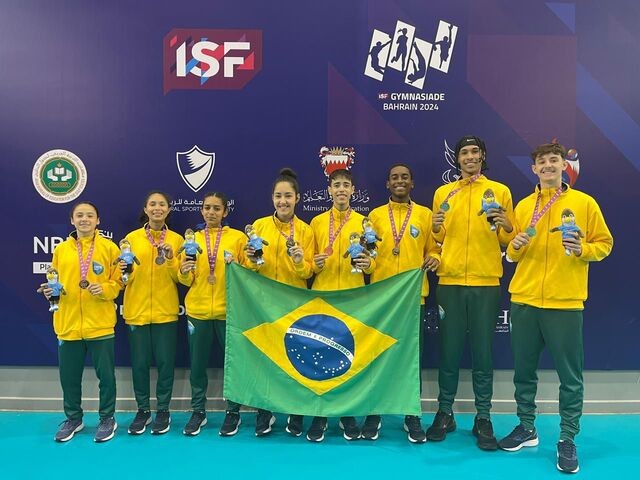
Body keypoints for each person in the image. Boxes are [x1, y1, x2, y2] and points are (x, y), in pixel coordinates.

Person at [498, 143, 613, 474]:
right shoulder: (523, 206)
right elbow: (512, 254)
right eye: (542, 161)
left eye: (553, 160)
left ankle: (567, 438)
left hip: (565, 301)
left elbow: (604, 244)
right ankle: (526, 427)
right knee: (523, 371)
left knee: (570, 376)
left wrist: (582, 249)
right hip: (524, 299)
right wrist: (514, 247)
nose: (548, 165)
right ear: (534, 169)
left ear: (564, 166)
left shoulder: (584, 203)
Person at [427, 135, 515, 450]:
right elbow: (437, 238)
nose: (469, 157)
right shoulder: (443, 193)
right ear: (457, 159)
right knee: (449, 351)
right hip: (449, 281)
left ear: (483, 156)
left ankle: (483, 416)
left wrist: (507, 225)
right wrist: (435, 227)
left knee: (483, 352)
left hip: (485, 282)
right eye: (464, 152)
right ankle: (444, 412)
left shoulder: (500, 191)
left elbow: (509, 241)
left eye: (475, 151)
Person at [362, 163, 440, 443]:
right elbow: (369, 254)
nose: (399, 181)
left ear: (412, 183)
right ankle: (374, 412)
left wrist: (435, 257)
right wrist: (367, 264)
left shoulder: (424, 215)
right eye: (394, 177)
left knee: (411, 359)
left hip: (412, 297)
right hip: (382, 298)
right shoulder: (374, 216)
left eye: (404, 177)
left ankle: (411, 414)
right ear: (387, 184)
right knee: (377, 356)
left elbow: (433, 247)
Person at [40, 202, 122, 443]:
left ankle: (107, 418)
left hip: (100, 324)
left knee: (106, 377)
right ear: (72, 220)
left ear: (98, 220)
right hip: (68, 324)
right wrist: (51, 291)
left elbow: (119, 282)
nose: (84, 219)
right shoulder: (61, 250)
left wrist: (104, 289)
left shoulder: (109, 248)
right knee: (69, 377)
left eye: (89, 215)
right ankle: (74, 418)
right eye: (79, 215)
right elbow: (55, 280)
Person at [246, 168, 315, 437]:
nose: (283, 201)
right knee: (266, 360)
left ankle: (296, 412)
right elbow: (248, 268)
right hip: (263, 304)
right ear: (272, 198)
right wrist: (252, 260)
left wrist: (298, 262)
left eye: (288, 196)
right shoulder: (259, 226)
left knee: (295, 360)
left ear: (297, 198)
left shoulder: (306, 231)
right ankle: (265, 411)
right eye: (278, 196)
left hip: (293, 305)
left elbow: (308, 272)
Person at [306, 168, 374, 442]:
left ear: (353, 190)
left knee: (348, 358)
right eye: (337, 185)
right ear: (329, 191)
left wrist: (369, 264)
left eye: (346, 185)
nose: (341, 189)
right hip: (322, 298)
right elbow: (308, 265)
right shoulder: (316, 222)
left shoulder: (364, 223)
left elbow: (373, 260)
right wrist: (315, 264)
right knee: (321, 358)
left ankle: (347, 414)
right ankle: (320, 414)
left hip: (352, 298)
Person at [178, 192, 249, 437]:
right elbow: (184, 279)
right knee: (197, 365)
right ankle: (198, 411)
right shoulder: (192, 239)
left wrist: (241, 264)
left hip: (228, 312)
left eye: (217, 208)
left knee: (232, 364)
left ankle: (233, 412)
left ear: (225, 212)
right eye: (207, 207)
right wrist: (183, 271)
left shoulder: (238, 238)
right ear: (201, 210)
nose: (211, 212)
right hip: (197, 311)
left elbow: (249, 273)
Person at [121, 192, 183, 435]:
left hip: (165, 312)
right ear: (145, 209)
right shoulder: (131, 239)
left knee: (166, 365)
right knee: (140, 365)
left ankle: (163, 410)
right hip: (136, 312)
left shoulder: (177, 240)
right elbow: (124, 278)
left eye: (162, 204)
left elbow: (181, 278)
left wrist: (170, 259)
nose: (157, 208)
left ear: (168, 209)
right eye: (152, 204)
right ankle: (143, 410)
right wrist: (126, 270)